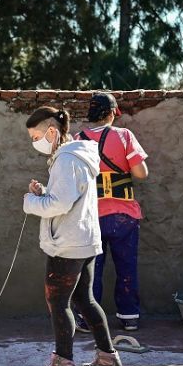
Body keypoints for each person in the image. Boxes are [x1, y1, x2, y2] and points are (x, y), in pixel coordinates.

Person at [23, 106, 123, 366]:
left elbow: (60, 204)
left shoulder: (67, 159)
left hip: (67, 244)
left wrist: (31, 203)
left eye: (36, 137)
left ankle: (63, 365)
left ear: (52, 132)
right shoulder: (76, 156)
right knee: (83, 299)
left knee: (58, 302)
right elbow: (67, 197)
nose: (35, 143)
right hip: (84, 239)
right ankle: (107, 358)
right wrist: (44, 193)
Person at [72, 92, 149, 332]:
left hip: (90, 216)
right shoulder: (124, 135)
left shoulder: (78, 139)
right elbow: (141, 173)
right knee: (126, 266)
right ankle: (129, 317)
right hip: (124, 217)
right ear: (111, 113)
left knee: (92, 271)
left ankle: (87, 319)